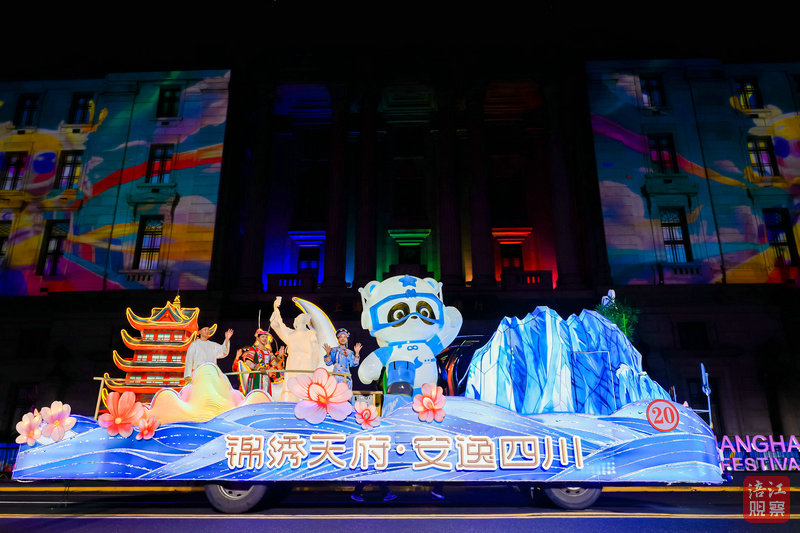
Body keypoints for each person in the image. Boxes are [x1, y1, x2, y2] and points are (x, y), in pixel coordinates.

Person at [270, 296, 322, 400]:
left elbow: (316, 353)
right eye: (299, 319)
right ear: (295, 322)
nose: (300, 321)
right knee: (292, 386)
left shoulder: (311, 334)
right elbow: (278, 325)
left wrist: (314, 364)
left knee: (305, 387)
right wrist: (276, 309)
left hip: (306, 363)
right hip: (293, 362)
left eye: (303, 320)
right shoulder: (291, 334)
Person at [234, 329, 274, 394]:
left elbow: (274, 362)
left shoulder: (268, 351)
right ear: (258, 338)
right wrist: (259, 368)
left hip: (266, 377)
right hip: (256, 378)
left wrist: (280, 356)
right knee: (256, 395)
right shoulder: (253, 350)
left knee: (266, 395)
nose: (265, 339)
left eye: (266, 337)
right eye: (263, 337)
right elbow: (248, 362)